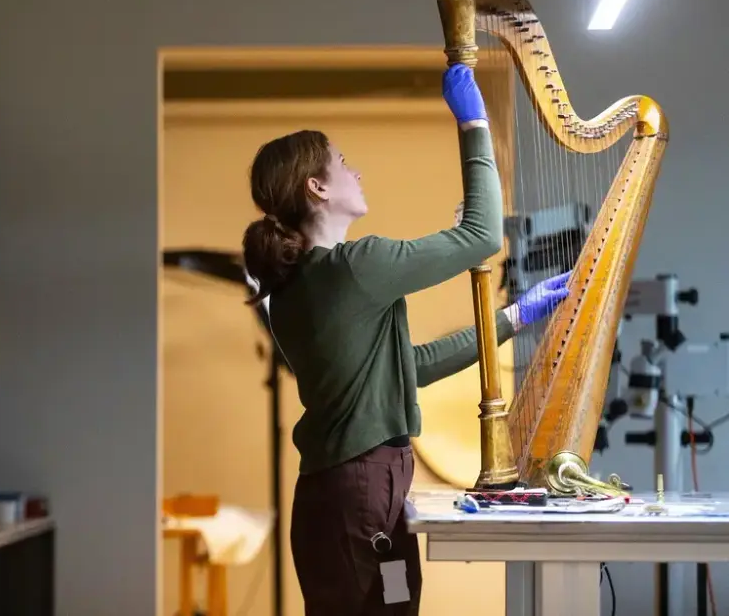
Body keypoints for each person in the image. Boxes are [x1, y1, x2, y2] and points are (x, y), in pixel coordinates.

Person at [240, 63, 571, 616]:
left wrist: (512, 317)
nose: (356, 171)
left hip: (356, 499)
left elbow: (406, 367)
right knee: (390, 607)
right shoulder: (354, 267)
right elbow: (484, 234)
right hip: (363, 500)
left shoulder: (297, 287)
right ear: (317, 187)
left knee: (397, 603)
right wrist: (474, 124)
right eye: (343, 162)